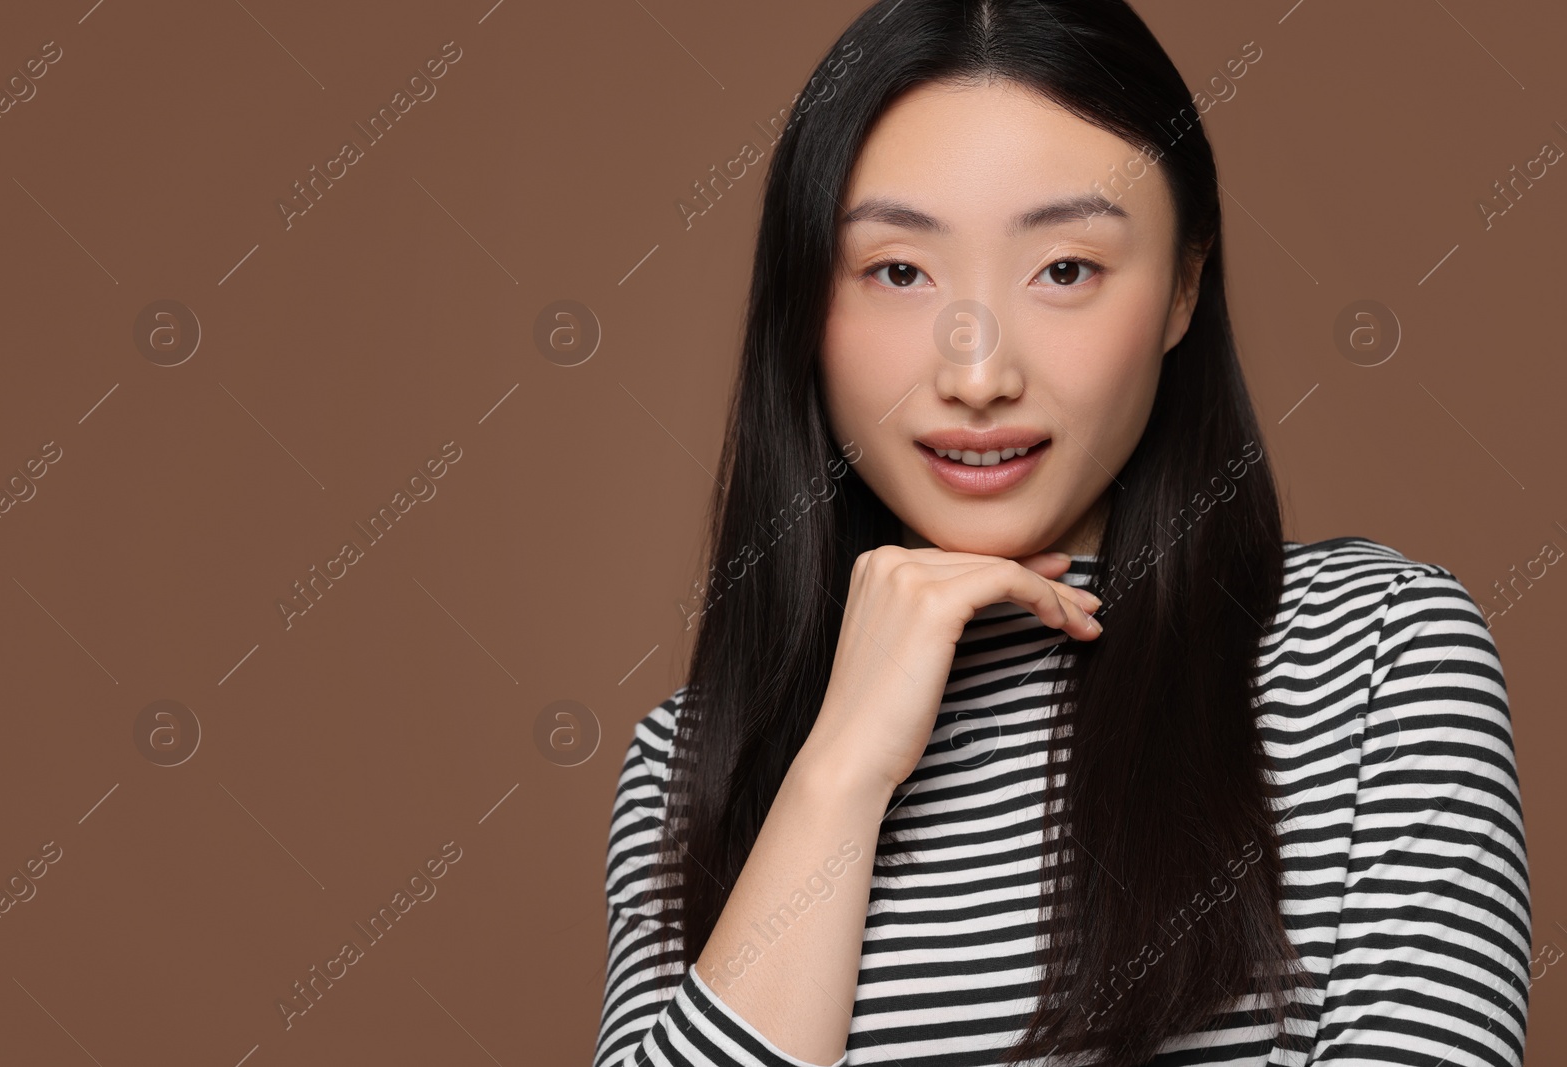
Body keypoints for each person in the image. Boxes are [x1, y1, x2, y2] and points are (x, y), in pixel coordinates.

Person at [593, 1, 1531, 1064]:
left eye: (1064, 269)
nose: (978, 373)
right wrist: (840, 770)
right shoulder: (691, 763)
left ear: (1182, 286)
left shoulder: (1372, 655)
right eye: (899, 271)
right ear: (806, 304)